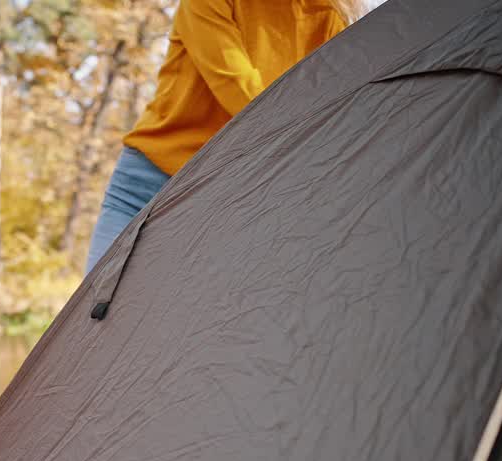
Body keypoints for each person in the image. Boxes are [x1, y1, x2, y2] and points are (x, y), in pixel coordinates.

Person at [85, 0, 360, 273]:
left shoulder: (330, 19)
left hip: (235, 198)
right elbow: (238, 89)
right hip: (149, 184)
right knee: (94, 312)